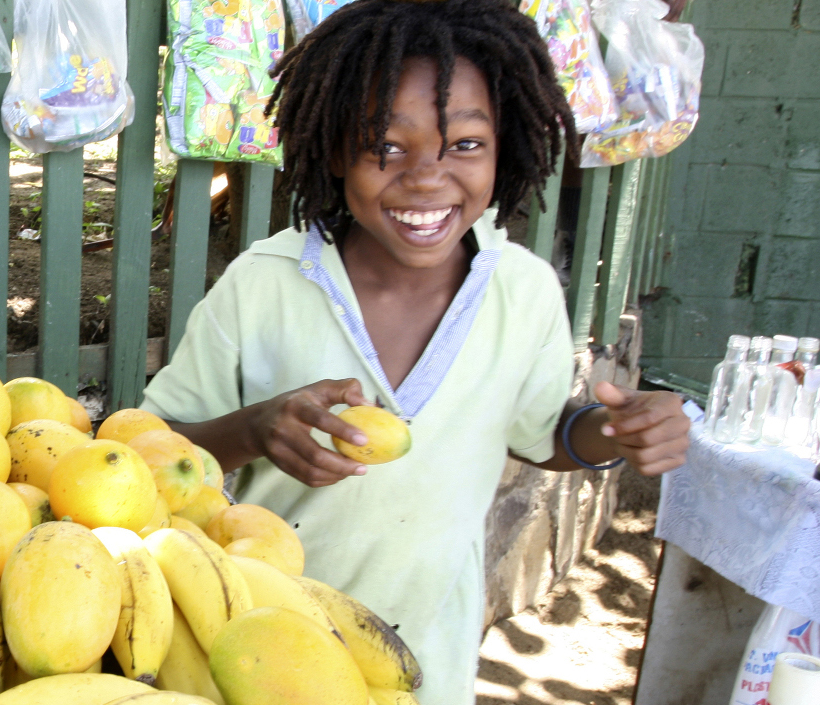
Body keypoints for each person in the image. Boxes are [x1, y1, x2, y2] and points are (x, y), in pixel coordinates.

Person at [139, 1, 691, 702]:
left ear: (506, 146)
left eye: (464, 145)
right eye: (385, 146)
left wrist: (613, 430)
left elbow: (543, 431)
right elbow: (153, 448)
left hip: (423, 659)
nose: (426, 177)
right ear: (336, 148)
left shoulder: (521, 291)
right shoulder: (263, 284)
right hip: (255, 650)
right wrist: (254, 429)